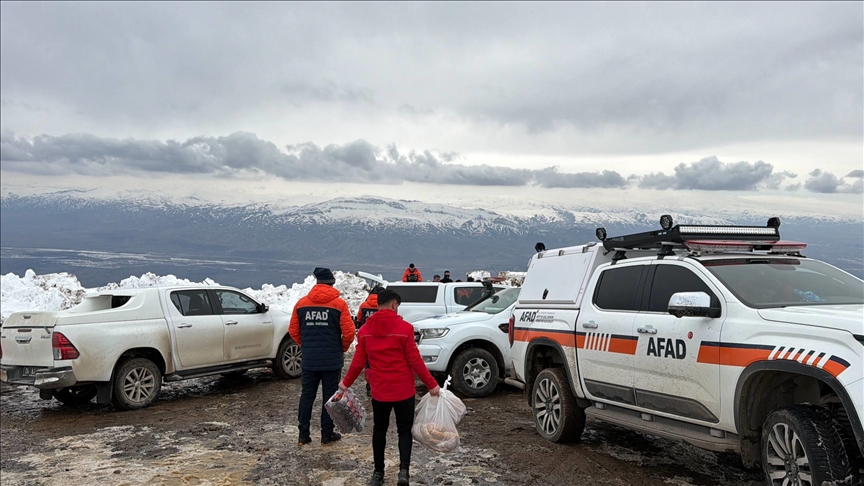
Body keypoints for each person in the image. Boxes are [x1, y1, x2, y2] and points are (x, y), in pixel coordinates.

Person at [340, 289, 441, 486]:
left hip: (380, 391)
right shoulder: (405, 328)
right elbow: (415, 360)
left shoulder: (365, 331)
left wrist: (345, 383)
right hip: (403, 390)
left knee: (379, 430)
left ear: (379, 304)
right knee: (404, 431)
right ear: (394, 305)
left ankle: (378, 474)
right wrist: (431, 385)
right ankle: (403, 472)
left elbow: (358, 361)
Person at [289, 267, 356, 446]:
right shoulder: (339, 305)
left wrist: (306, 346)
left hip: (310, 360)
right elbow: (349, 333)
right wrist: (341, 347)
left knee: (307, 396)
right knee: (329, 397)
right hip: (332, 361)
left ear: (316, 282)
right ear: (332, 284)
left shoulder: (301, 303)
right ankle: (327, 434)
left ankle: (303, 434)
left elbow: (293, 330)